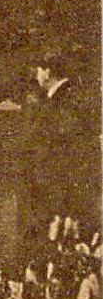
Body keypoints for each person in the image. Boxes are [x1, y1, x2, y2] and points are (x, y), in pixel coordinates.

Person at [23, 49, 101, 251]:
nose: (37, 76)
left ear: (47, 72)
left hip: (61, 193)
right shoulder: (66, 99)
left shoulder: (63, 103)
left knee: (64, 247)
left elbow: (67, 153)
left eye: (39, 70)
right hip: (61, 192)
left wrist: (64, 206)